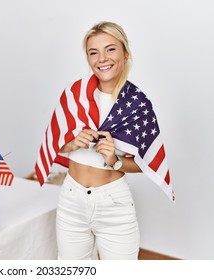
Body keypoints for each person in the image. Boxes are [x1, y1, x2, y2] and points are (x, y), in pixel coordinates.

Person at [34, 21, 174, 260]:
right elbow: (57, 145)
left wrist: (114, 159)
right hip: (71, 198)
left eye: (110, 49)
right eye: (93, 52)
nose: (102, 59)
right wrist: (72, 142)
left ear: (125, 53)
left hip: (113, 204)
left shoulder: (137, 104)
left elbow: (147, 162)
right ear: (88, 58)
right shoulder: (73, 94)